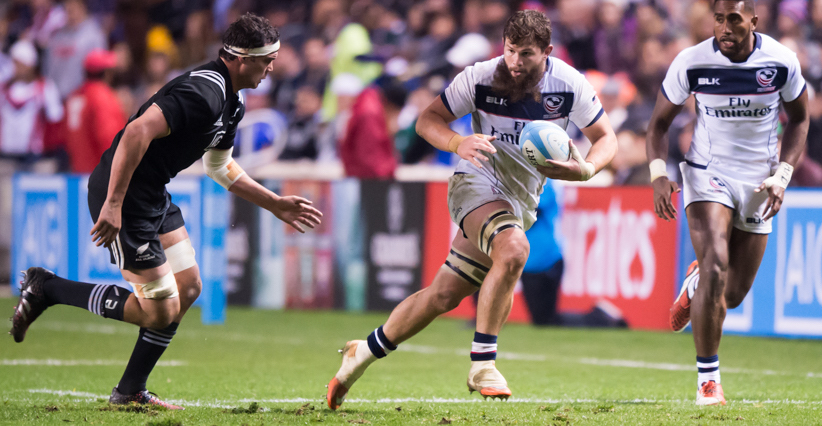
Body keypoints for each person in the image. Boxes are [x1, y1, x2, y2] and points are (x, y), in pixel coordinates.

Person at [10, 13, 323, 409]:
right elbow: (138, 131)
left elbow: (219, 166)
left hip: (153, 193)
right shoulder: (204, 92)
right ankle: (47, 288)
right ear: (242, 59)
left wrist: (274, 203)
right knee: (159, 312)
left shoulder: (231, 101)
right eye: (267, 59)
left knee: (189, 288)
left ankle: (128, 392)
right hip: (124, 194)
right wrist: (114, 203)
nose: (272, 67)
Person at [327, 10, 617, 409]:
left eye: (526, 54)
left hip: (520, 200)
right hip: (475, 182)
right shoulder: (479, 77)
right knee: (514, 250)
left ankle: (364, 351)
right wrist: (455, 143)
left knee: (443, 295)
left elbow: (606, 139)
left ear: (547, 52)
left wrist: (586, 168)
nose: (515, 62)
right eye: (510, 50)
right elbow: (429, 119)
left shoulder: (569, 85)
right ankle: (483, 364)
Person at [646, 0, 809, 406]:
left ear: (754, 20)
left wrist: (783, 175)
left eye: (734, 19)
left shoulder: (781, 62)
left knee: (730, 295)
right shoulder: (691, 62)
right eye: (718, 19)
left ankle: (695, 282)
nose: (724, 28)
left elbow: (801, 119)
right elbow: (657, 126)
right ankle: (708, 381)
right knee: (717, 262)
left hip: (759, 179)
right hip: (707, 172)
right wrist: (657, 175)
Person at [64, 49, 127, 173]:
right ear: (107, 73)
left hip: (77, 170)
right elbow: (110, 138)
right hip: (99, 174)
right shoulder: (102, 96)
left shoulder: (74, 96)